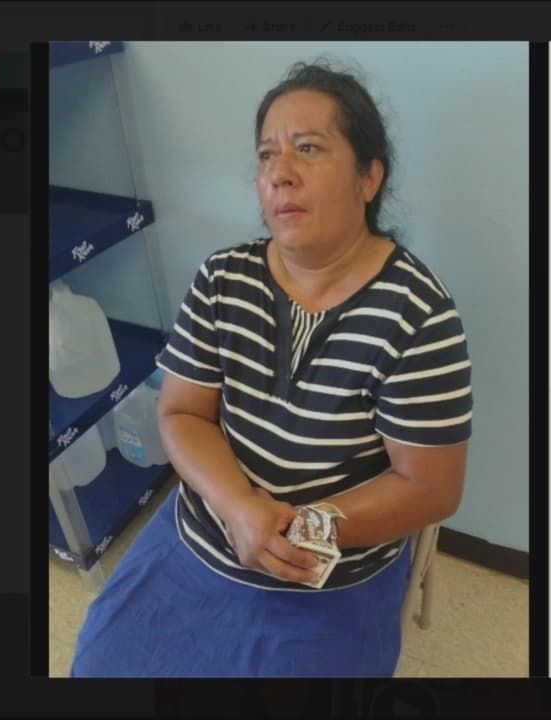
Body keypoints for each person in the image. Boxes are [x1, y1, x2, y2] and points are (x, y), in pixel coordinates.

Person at [69, 61, 473, 678]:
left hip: (326, 571)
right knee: (100, 664)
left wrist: (297, 530)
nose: (279, 172)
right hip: (204, 532)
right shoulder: (223, 278)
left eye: (308, 148)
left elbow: (430, 488)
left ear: (369, 176)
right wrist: (239, 508)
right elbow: (181, 412)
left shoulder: (417, 313)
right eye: (266, 155)